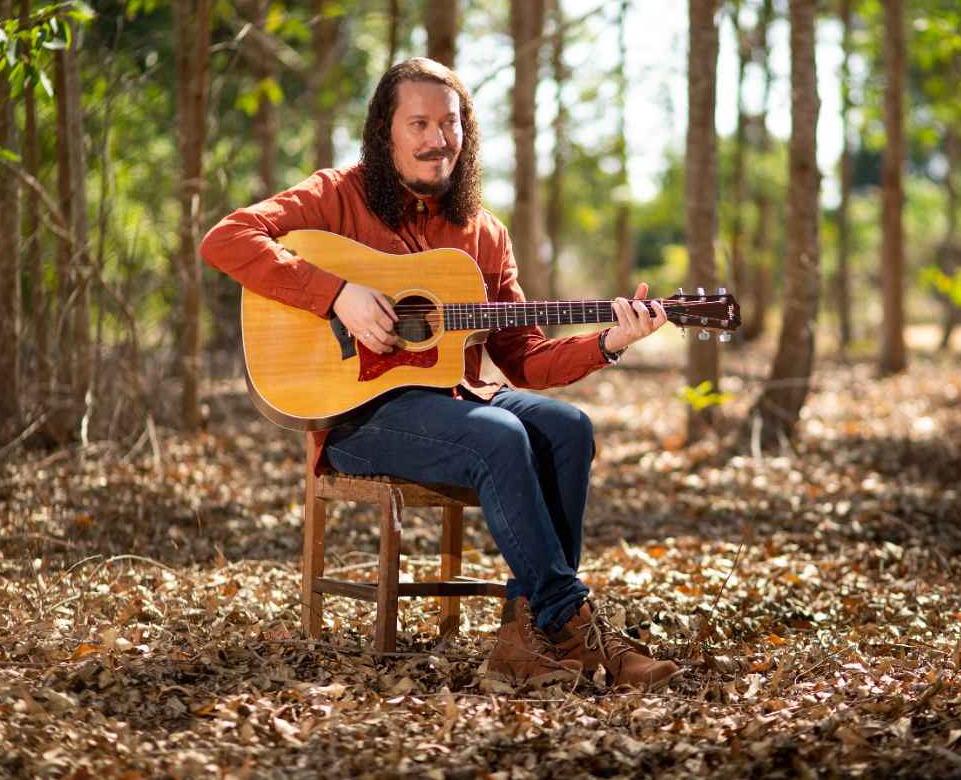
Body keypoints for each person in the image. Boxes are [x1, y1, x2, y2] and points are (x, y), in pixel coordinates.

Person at [200, 57, 680, 690]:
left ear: (466, 131)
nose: (436, 140)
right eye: (418, 123)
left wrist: (611, 340)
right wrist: (335, 292)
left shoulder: (483, 231)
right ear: (385, 131)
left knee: (567, 428)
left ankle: (525, 634)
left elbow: (525, 359)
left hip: (458, 400)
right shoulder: (337, 195)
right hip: (359, 416)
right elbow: (226, 237)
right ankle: (574, 624)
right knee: (498, 436)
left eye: (449, 123)